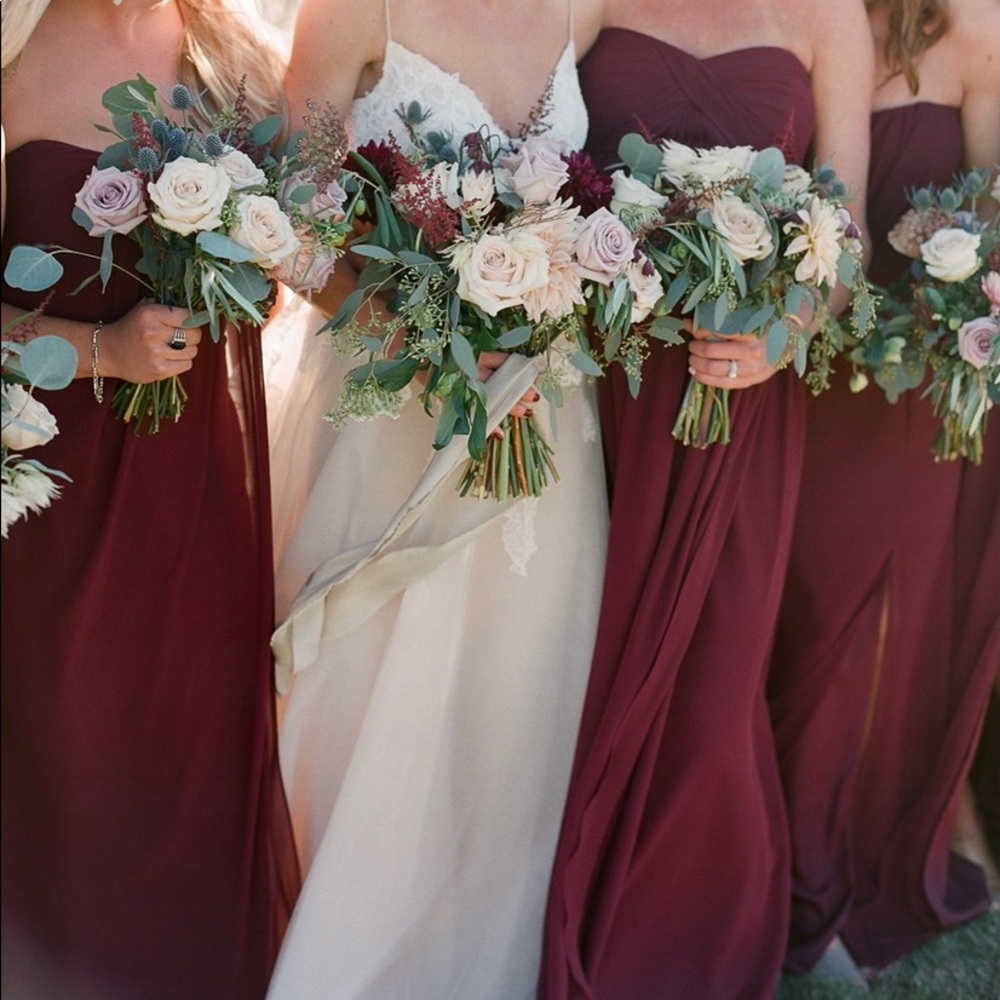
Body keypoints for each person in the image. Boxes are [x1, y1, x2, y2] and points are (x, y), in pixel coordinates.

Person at [264, 0, 606, 997]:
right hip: (391, 403)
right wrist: (417, 328)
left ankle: (482, 958)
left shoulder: (577, 9)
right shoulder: (349, 12)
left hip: (545, 413)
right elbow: (293, 222)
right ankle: (347, 947)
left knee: (515, 684)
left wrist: (553, 293)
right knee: (372, 676)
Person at [538, 2, 875, 997]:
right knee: (573, 655)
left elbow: (844, 229)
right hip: (598, 384)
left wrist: (787, 331)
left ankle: (679, 941)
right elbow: (534, 141)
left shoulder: (829, 19)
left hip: (742, 396)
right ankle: (552, 907)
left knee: (716, 667)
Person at [0, 2, 299, 998]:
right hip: (49, 500)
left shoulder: (236, 56)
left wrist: (244, 275)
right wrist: (107, 353)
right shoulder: (12, 55)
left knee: (193, 772)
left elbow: (287, 274)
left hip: (197, 497)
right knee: (73, 767)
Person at [768, 0, 1000, 980]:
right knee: (782, 612)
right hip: (787, 372)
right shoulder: (795, 17)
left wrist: (970, 289)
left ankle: (830, 874)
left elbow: (989, 203)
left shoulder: (977, 25)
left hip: (908, 389)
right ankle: (760, 848)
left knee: (861, 629)